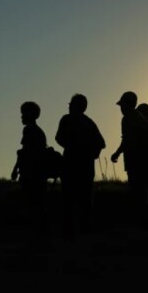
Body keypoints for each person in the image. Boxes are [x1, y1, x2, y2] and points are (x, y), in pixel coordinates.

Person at [55, 93, 106, 238]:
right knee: (81, 200)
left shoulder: (68, 120)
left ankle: (73, 230)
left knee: (71, 199)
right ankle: (80, 229)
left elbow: (59, 138)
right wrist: (90, 152)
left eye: (71, 104)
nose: (69, 106)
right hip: (82, 166)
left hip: (74, 165)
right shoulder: (88, 122)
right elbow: (101, 143)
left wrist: (75, 147)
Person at [110, 91, 148, 229]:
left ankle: (143, 226)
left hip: (136, 162)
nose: (121, 109)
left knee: (138, 195)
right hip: (144, 162)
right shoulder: (140, 118)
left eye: (122, 105)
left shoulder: (128, 118)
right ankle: (147, 225)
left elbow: (127, 140)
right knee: (143, 195)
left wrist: (117, 153)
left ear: (127, 105)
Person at [11, 101, 50, 242]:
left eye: (23, 114)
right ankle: (40, 237)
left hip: (31, 174)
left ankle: (35, 238)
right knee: (39, 206)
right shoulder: (38, 132)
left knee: (32, 206)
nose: (21, 117)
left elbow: (24, 152)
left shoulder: (29, 130)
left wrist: (16, 168)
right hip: (38, 174)